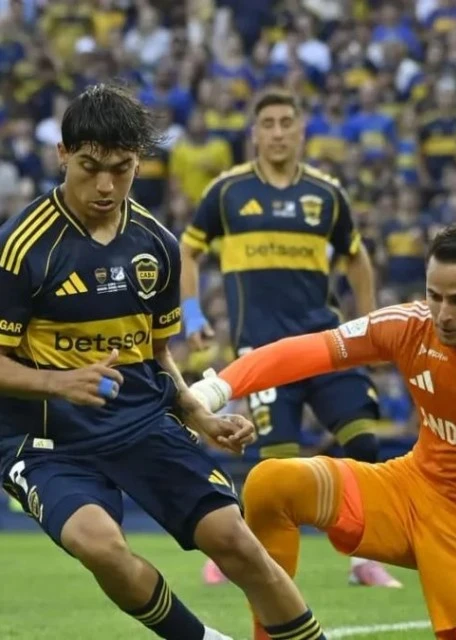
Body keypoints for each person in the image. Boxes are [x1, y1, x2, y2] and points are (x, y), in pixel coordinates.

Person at [0, 83, 327, 640]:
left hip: (141, 423)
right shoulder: (20, 248)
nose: (106, 186)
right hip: (48, 442)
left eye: (121, 169)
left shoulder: (157, 245)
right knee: (99, 546)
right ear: (62, 155)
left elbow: (154, 354)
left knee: (236, 541)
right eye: (89, 168)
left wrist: (199, 415)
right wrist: (60, 383)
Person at [190, 222, 456, 640]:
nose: (443, 314)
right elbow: (305, 351)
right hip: (412, 491)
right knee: (273, 482)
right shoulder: (411, 326)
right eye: (435, 296)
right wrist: (214, 390)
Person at [180, 88, 401, 588]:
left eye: (286, 123)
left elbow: (357, 257)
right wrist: (192, 316)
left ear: (301, 131)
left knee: (364, 442)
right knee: (276, 466)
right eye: (269, 124)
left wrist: (370, 326)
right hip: (262, 353)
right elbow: (188, 251)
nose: (278, 133)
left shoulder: (326, 193)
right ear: (254, 134)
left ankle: (364, 559)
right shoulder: (227, 192)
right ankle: (242, 557)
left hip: (325, 345)